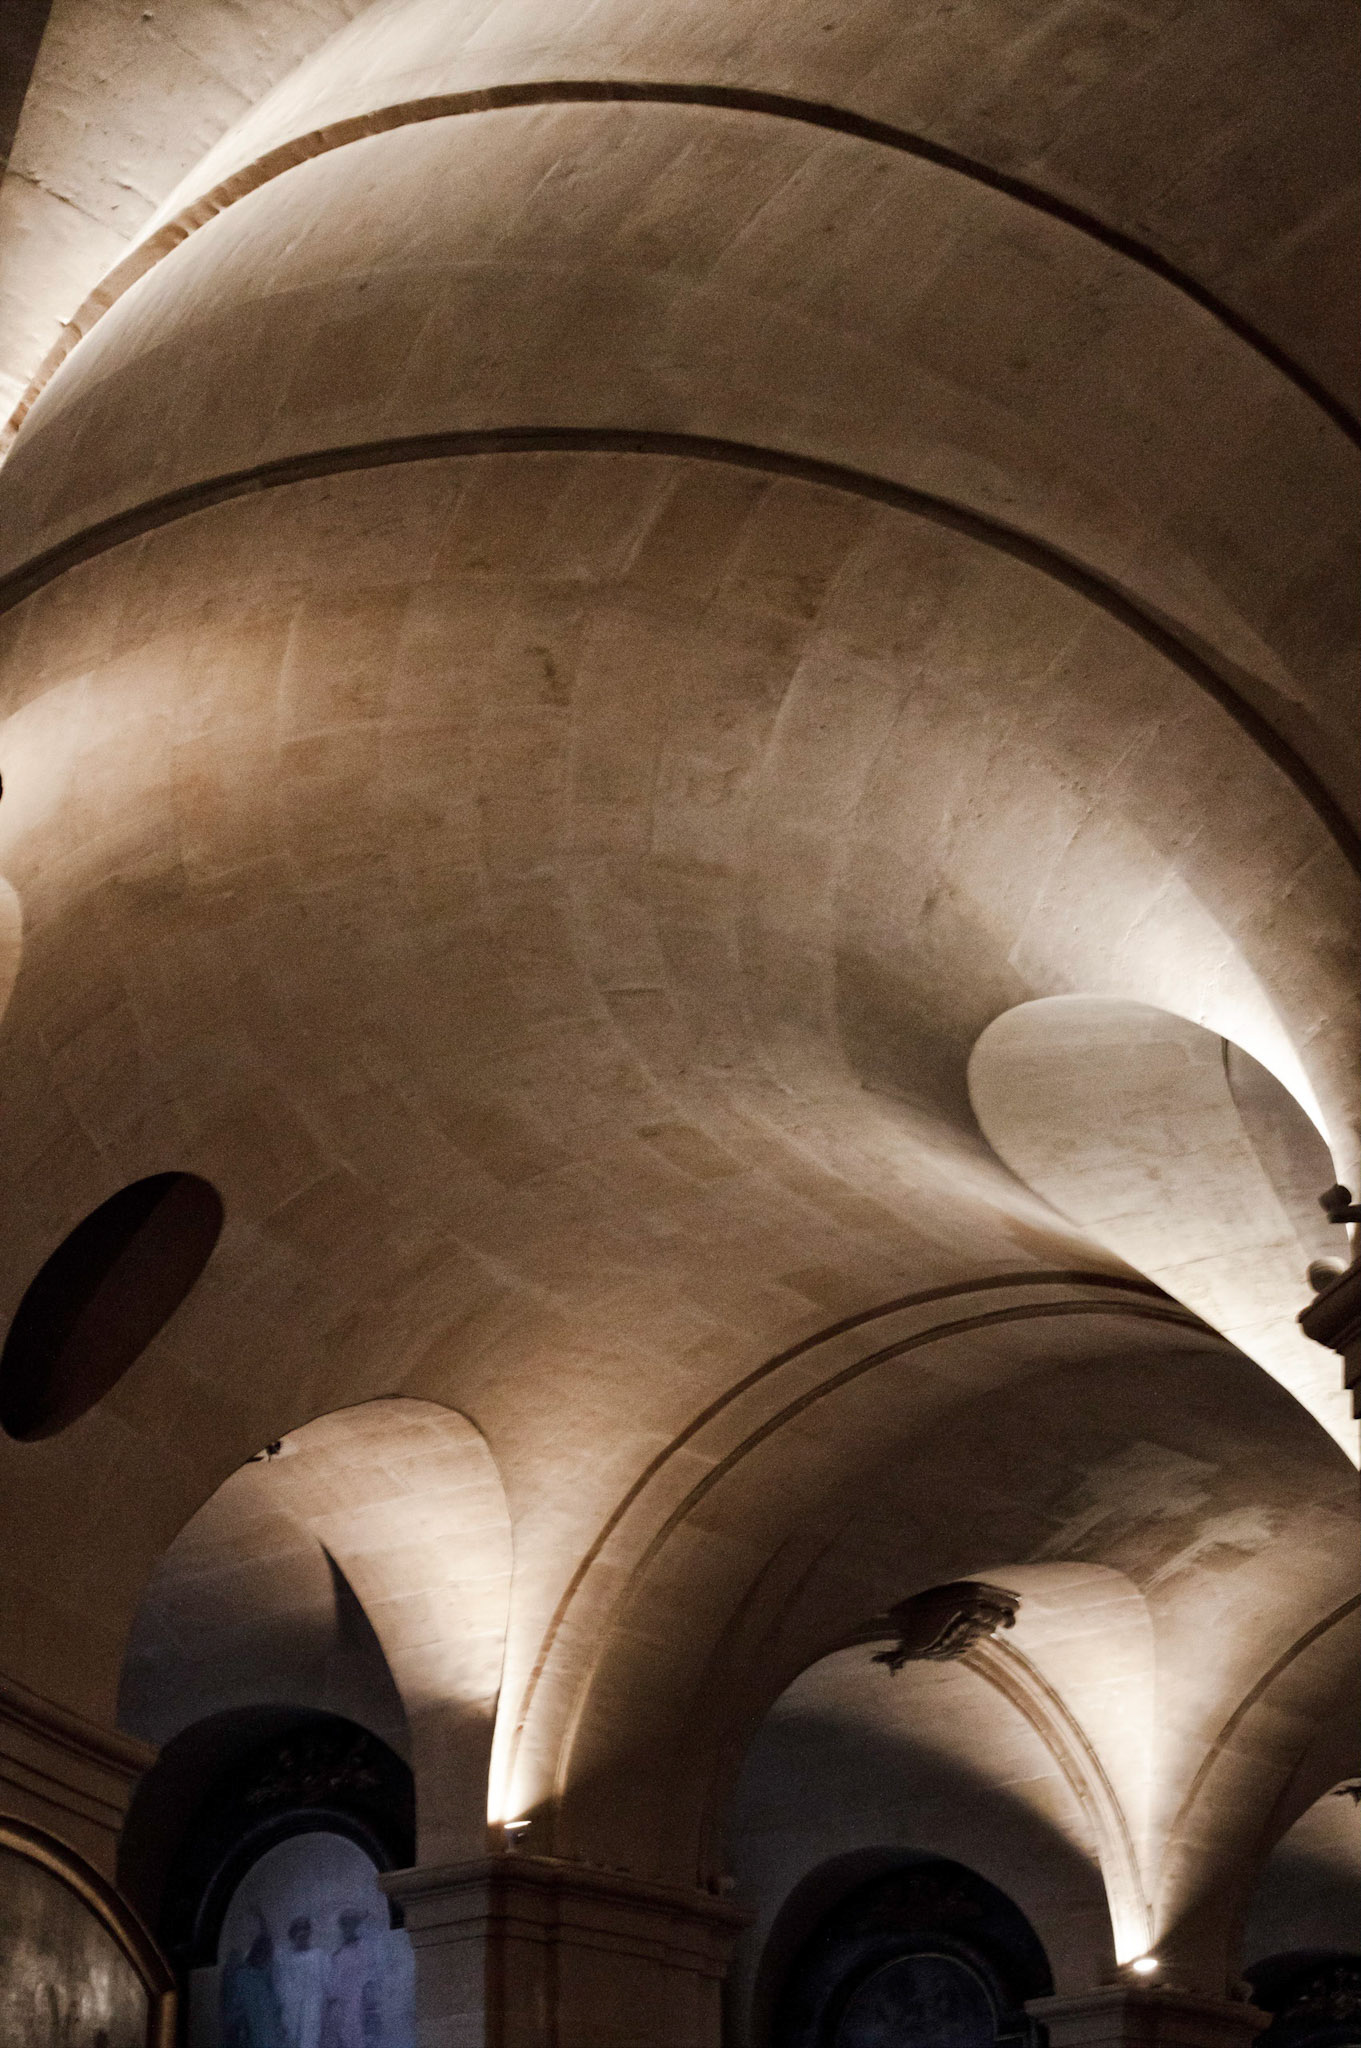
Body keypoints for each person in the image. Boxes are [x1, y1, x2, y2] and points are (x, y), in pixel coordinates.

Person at [221, 1919, 284, 2048]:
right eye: (263, 1955)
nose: (265, 1959)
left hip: (268, 2032)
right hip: (250, 2032)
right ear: (256, 1954)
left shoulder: (265, 1975)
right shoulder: (241, 1976)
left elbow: (275, 2005)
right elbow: (233, 2008)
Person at [325, 1910, 379, 2048]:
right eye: (345, 1925)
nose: (347, 1928)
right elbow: (333, 1988)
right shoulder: (338, 1955)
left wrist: (369, 2003)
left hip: (362, 2003)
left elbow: (372, 1977)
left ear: (355, 1926)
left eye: (351, 1924)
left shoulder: (366, 1948)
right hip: (343, 2010)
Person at [278, 1914, 328, 2048]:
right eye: (299, 1931)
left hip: (312, 2010)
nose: (302, 1934)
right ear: (293, 1934)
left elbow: (326, 1985)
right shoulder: (286, 1958)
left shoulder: (318, 1955)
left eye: (305, 1930)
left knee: (310, 2041)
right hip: (292, 2011)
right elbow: (282, 1987)